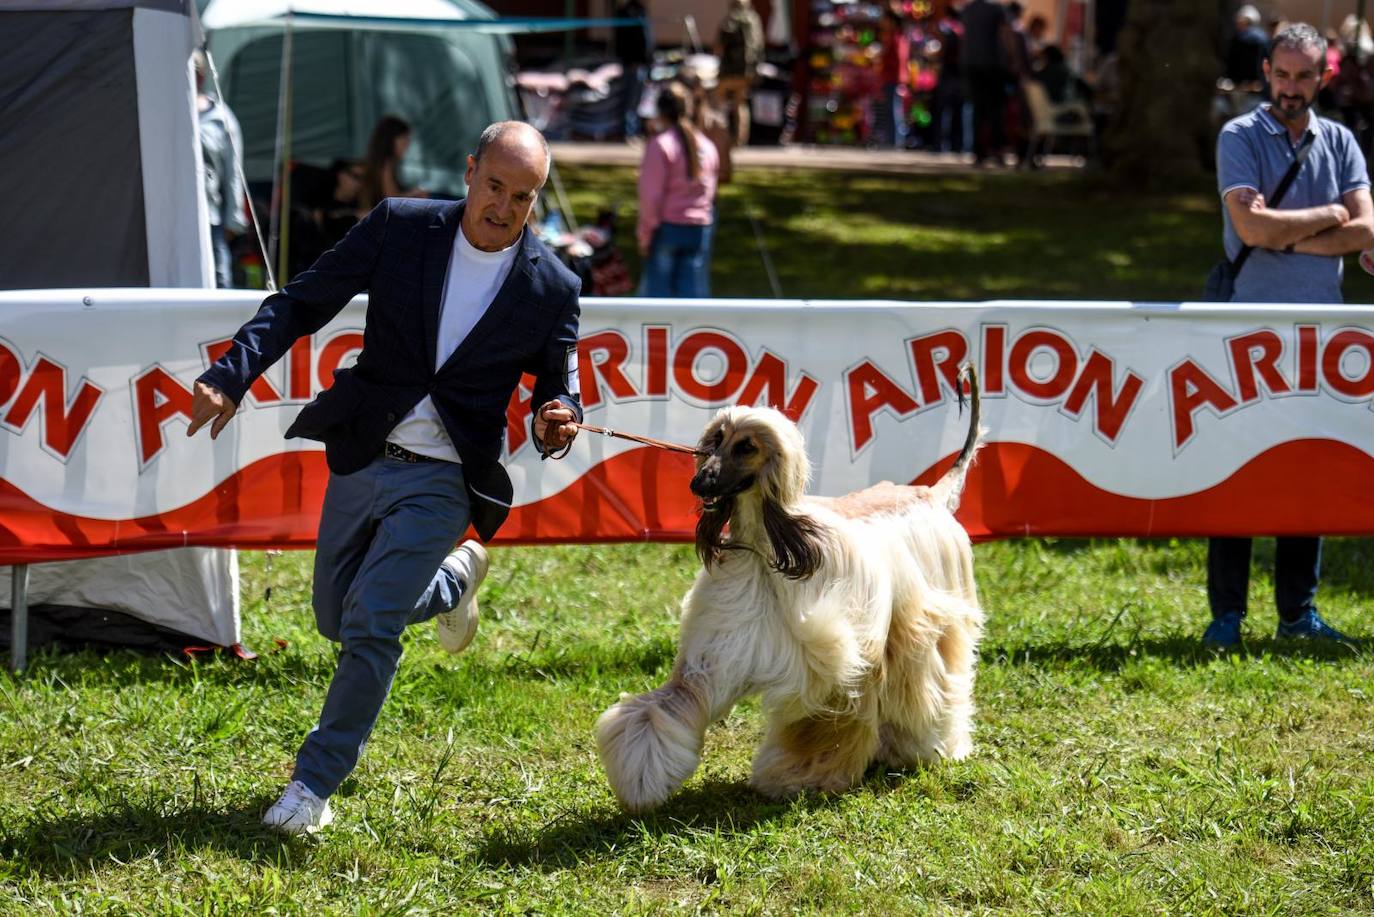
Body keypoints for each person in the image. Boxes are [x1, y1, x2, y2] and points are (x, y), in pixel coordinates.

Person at [186, 122, 583, 833]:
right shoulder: (400, 228)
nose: (503, 206)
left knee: (370, 626)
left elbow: (560, 384)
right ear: (469, 172)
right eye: (494, 186)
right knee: (335, 617)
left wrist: (559, 413)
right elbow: (300, 302)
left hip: (447, 474)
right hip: (365, 448)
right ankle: (455, 580)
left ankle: (312, 785)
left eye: (522, 197)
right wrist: (231, 375)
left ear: (535, 200)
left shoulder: (551, 284)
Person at [1203, 23, 1373, 650]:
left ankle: (1298, 612)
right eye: (1283, 75)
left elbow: (1367, 231)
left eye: (1305, 76)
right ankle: (1227, 615)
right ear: (1266, 73)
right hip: (1245, 327)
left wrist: (1289, 231)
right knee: (1235, 471)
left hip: (1319, 331)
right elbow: (1250, 230)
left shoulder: (1342, 142)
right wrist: (1331, 215)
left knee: (1308, 468)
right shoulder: (1240, 136)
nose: (1292, 88)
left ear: (1323, 77)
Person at [637, 83, 720, 298]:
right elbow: (711, 190)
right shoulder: (707, 146)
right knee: (692, 299)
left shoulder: (660, 145)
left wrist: (645, 235)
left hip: (668, 228)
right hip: (699, 228)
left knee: (657, 303)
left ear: (660, 111)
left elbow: (651, 196)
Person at [193, 51, 248, 289]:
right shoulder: (161, 112)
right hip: (170, 216)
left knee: (219, 281)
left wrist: (233, 220)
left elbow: (233, 171)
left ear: (201, 76)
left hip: (210, 218)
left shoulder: (220, 117)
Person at [962, 0, 1009, 166]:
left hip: (971, 64)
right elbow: (1006, 34)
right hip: (992, 65)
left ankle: (978, 153)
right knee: (995, 110)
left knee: (977, 110)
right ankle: (997, 151)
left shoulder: (967, 10)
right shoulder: (997, 9)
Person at [715, 0, 764, 147]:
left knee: (717, 100)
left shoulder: (732, 19)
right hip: (748, 71)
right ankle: (740, 140)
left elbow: (720, 45)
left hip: (731, 70)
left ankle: (719, 136)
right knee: (740, 104)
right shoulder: (754, 20)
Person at [359, 115, 427, 211]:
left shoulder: (379, 161)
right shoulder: (385, 164)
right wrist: (415, 194)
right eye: (403, 141)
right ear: (390, 140)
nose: (406, 147)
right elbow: (391, 199)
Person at [613, 0, 651, 138]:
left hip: (640, 63)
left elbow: (647, 40)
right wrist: (632, 60)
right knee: (631, 100)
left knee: (637, 100)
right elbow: (627, 40)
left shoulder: (641, 11)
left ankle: (632, 131)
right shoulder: (628, 13)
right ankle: (628, 133)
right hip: (633, 63)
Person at [877, 9, 910, 149]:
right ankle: (894, 141)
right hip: (894, 79)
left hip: (894, 80)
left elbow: (898, 61)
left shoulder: (896, 39)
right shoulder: (898, 38)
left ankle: (895, 143)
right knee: (893, 111)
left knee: (893, 112)